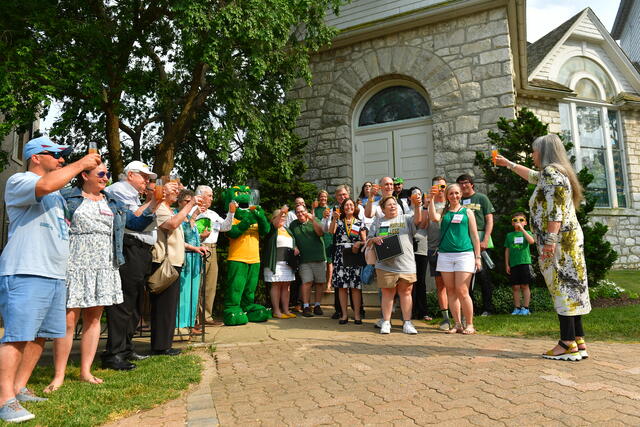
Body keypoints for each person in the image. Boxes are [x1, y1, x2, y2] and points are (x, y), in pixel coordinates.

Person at [0, 136, 101, 423]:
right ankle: (4, 398)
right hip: (26, 270)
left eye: (63, 156)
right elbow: (44, 185)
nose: (61, 160)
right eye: (55, 155)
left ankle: (19, 387)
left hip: (54, 274)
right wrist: (82, 163)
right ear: (35, 157)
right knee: (17, 336)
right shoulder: (19, 181)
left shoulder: (57, 194)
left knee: (41, 334)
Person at [45, 162, 155, 393]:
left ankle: (86, 370)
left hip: (104, 265)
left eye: (107, 174)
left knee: (94, 319)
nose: (106, 178)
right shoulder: (68, 197)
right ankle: (59, 375)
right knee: (68, 320)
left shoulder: (111, 202)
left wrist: (155, 203)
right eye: (101, 174)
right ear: (84, 175)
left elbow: (134, 224)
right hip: (75, 264)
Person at [496, 134, 590, 361]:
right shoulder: (557, 174)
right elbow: (532, 176)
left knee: (562, 288)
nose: (532, 155)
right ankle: (578, 340)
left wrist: (549, 241)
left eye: (534, 151)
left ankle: (566, 344)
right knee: (573, 288)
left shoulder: (551, 173)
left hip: (558, 243)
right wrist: (508, 164)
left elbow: (555, 210)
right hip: (568, 241)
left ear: (544, 152)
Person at [102, 161, 168, 371]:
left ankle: (126, 348)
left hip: (140, 251)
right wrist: (152, 203)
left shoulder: (132, 194)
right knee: (123, 303)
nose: (147, 182)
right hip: (130, 248)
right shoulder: (118, 190)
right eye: (144, 177)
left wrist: (153, 203)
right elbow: (131, 221)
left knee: (134, 303)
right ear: (130, 175)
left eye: (149, 178)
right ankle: (115, 353)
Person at [149, 182, 201, 355]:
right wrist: (191, 206)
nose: (177, 195)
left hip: (175, 262)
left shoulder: (169, 209)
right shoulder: (162, 209)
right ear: (163, 193)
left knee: (169, 306)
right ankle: (161, 346)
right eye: (173, 191)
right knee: (165, 306)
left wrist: (192, 247)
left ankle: (164, 343)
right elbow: (171, 225)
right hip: (166, 263)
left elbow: (177, 237)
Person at [429, 183, 482, 335]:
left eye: (457, 193)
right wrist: (432, 198)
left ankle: (470, 324)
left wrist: (477, 257)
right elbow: (433, 218)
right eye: (451, 193)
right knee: (451, 291)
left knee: (462, 290)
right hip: (445, 255)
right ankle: (457, 324)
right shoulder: (443, 211)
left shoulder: (467, 212)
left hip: (464, 254)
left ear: (461, 194)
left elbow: (474, 236)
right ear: (447, 195)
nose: (454, 196)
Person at [367, 195, 422, 334]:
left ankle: (407, 323)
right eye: (389, 204)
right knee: (387, 293)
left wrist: (417, 206)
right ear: (383, 209)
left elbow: (419, 221)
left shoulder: (406, 218)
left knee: (406, 292)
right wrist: (374, 239)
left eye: (395, 204)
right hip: (385, 265)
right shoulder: (378, 222)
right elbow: (368, 241)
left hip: (406, 263)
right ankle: (386, 322)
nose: (393, 206)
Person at [194, 185, 234, 327]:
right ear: (201, 196)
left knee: (210, 284)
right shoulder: (193, 212)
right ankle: (195, 318)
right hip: (199, 248)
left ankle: (206, 316)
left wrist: (231, 213)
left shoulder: (213, 214)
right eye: (209, 195)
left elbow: (226, 227)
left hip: (213, 249)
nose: (212, 198)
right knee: (198, 284)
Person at [456, 174, 495, 316]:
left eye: (466, 183)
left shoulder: (481, 198)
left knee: (483, 276)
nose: (463, 185)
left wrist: (485, 239)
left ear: (471, 184)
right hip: (464, 242)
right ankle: (470, 309)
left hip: (480, 238)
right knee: (466, 277)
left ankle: (488, 309)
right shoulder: (457, 200)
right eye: (460, 183)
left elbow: (489, 220)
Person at [175, 189, 209, 336]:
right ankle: (179, 326)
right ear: (179, 202)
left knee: (193, 294)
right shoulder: (177, 216)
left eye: (191, 201)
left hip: (194, 261)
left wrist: (201, 244)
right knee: (183, 294)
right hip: (184, 260)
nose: (190, 204)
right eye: (186, 202)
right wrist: (194, 217)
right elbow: (181, 240)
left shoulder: (189, 217)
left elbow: (193, 238)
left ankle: (189, 325)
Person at [328, 198, 367, 325]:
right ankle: (344, 315)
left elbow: (365, 241)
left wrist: (359, 243)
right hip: (340, 255)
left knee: (355, 287)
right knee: (342, 287)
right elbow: (331, 232)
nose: (348, 207)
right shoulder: (338, 222)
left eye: (351, 205)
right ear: (343, 208)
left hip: (354, 255)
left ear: (354, 207)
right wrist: (334, 218)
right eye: (346, 205)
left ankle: (356, 315)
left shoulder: (360, 223)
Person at [289, 204, 326, 317]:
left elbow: (320, 233)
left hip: (319, 257)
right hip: (304, 259)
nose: (300, 214)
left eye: (302, 211)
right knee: (307, 282)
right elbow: (291, 238)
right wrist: (294, 246)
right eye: (298, 212)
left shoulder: (315, 220)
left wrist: (312, 219)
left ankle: (317, 305)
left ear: (306, 211)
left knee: (320, 282)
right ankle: (306, 306)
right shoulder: (293, 224)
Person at [424, 177, 451, 330]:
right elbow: (422, 224)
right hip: (434, 249)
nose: (440, 189)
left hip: (451, 250)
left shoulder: (451, 204)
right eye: (437, 186)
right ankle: (446, 319)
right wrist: (427, 204)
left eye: (442, 186)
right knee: (441, 286)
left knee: (455, 286)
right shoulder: (428, 205)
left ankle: (459, 317)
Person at [263, 209, 297, 319]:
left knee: (287, 286)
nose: (283, 218)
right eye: (280, 216)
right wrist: (282, 212)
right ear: (274, 218)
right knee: (276, 285)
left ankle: (286, 310)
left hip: (287, 262)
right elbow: (276, 224)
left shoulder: (288, 230)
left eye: (284, 216)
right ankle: (277, 311)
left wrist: (295, 248)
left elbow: (292, 242)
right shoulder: (272, 229)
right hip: (275, 262)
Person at [505, 212, 535, 316]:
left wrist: (522, 229)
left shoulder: (527, 232)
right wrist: (507, 264)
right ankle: (517, 307)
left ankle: (526, 308)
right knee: (515, 287)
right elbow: (507, 250)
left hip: (524, 262)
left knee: (525, 285)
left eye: (521, 220)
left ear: (525, 222)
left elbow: (531, 241)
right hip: (514, 264)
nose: (518, 222)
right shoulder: (509, 235)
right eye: (515, 220)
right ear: (512, 223)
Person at [408, 186, 431, 321]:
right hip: (408, 248)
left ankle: (423, 311)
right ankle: (410, 311)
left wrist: (425, 208)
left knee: (421, 281)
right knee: (409, 281)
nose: (417, 196)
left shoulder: (425, 208)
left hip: (421, 248)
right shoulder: (405, 210)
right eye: (414, 194)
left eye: (419, 194)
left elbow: (423, 225)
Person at [314, 190, 334, 294]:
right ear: (318, 198)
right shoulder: (315, 209)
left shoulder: (330, 209)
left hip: (328, 236)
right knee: (321, 261)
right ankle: (320, 283)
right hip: (318, 237)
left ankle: (329, 284)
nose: (323, 198)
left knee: (330, 261)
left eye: (325, 197)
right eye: (321, 197)